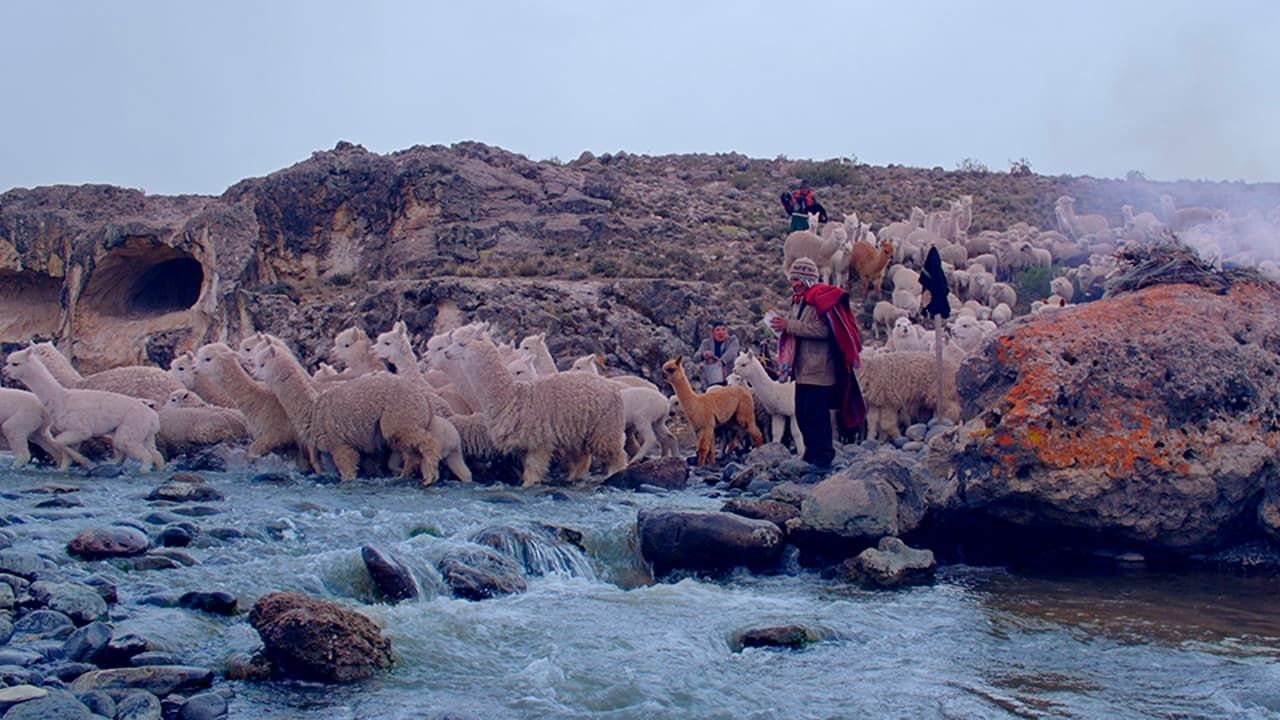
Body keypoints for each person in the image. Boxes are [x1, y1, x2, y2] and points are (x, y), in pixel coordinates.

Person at [770, 256, 866, 467]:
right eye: (792, 278)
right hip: (802, 368)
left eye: (797, 279)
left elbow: (823, 330)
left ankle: (824, 455)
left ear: (807, 279)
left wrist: (789, 326)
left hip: (819, 369)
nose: (793, 283)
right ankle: (811, 453)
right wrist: (783, 327)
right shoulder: (797, 301)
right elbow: (795, 325)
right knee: (803, 414)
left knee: (816, 415)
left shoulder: (820, 301)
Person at [696, 320, 739, 388]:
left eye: (723, 329)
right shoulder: (706, 343)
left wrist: (720, 363)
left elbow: (732, 353)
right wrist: (703, 355)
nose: (721, 332)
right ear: (713, 332)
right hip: (711, 378)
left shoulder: (732, 340)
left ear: (727, 331)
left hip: (729, 376)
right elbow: (696, 357)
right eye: (718, 330)